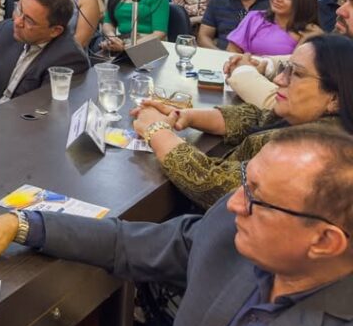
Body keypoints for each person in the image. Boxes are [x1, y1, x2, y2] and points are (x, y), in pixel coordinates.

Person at [0, 126, 353, 326]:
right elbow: (128, 243)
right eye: (246, 181)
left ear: (324, 240)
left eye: (256, 198)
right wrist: (20, 224)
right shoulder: (231, 232)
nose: (234, 203)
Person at [133, 33, 351, 209]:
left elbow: (213, 186)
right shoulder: (315, 119)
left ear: (335, 97)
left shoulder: (313, 151)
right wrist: (185, 116)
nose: (278, 79)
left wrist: (156, 129)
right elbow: (259, 117)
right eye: (285, 68)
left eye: (296, 74)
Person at [226, 0, 322, 56]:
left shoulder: (310, 32)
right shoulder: (255, 17)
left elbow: (297, 65)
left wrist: (305, 40)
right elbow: (232, 50)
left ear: (303, 2)